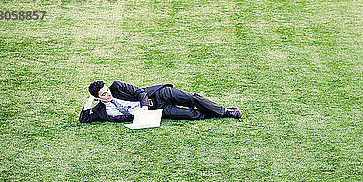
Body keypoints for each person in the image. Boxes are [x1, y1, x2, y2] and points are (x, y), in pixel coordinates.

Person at [79, 80, 242, 123]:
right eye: (104, 94)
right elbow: (84, 119)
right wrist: (89, 102)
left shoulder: (117, 86)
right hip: (157, 113)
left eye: (107, 90)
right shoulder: (102, 110)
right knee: (190, 114)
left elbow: (139, 92)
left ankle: (225, 111)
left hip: (159, 95)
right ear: (98, 98)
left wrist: (143, 107)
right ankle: (214, 113)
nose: (108, 94)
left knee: (191, 98)